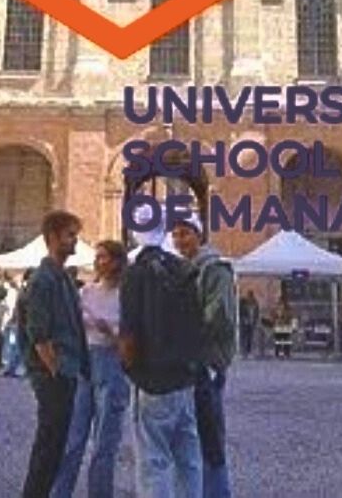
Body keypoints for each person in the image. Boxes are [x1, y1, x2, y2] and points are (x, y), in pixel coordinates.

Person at [120, 222, 204, 498]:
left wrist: (129, 368)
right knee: (188, 457)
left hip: (152, 378)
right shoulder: (184, 269)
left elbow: (129, 333)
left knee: (153, 460)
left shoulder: (136, 273)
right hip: (184, 377)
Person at [52, 238, 129, 498]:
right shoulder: (86, 292)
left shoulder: (126, 296)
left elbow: (130, 340)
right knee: (73, 437)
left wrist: (111, 331)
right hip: (85, 361)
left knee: (105, 442)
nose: (98, 262)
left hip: (112, 362)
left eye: (103, 257)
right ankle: (60, 492)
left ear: (117, 262)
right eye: (97, 257)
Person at [18, 211, 88, 498]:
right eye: (70, 235)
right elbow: (39, 333)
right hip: (54, 374)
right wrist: (55, 370)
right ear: (53, 237)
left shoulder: (63, 278)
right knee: (49, 445)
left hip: (66, 370)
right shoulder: (43, 279)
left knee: (55, 444)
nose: (75, 240)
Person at [171, 213, 237, 498]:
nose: (180, 240)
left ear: (199, 235)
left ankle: (217, 492)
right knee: (193, 431)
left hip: (206, 359)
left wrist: (189, 334)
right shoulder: (186, 269)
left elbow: (219, 315)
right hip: (192, 360)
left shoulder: (213, 268)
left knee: (209, 433)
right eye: (176, 235)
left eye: (185, 233)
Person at [3, 270, 28, 377]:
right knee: (17, 346)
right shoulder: (23, 291)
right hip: (19, 322)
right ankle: (13, 368)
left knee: (14, 345)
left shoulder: (21, 290)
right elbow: (17, 308)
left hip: (17, 321)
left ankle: (11, 367)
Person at [238, 289, 259, 359]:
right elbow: (241, 312)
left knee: (250, 337)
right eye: (249, 296)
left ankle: (248, 351)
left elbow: (256, 313)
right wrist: (244, 319)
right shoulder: (243, 303)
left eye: (251, 296)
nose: (250, 297)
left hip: (251, 322)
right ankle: (243, 351)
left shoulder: (255, 303)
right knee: (244, 337)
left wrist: (255, 321)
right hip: (245, 322)